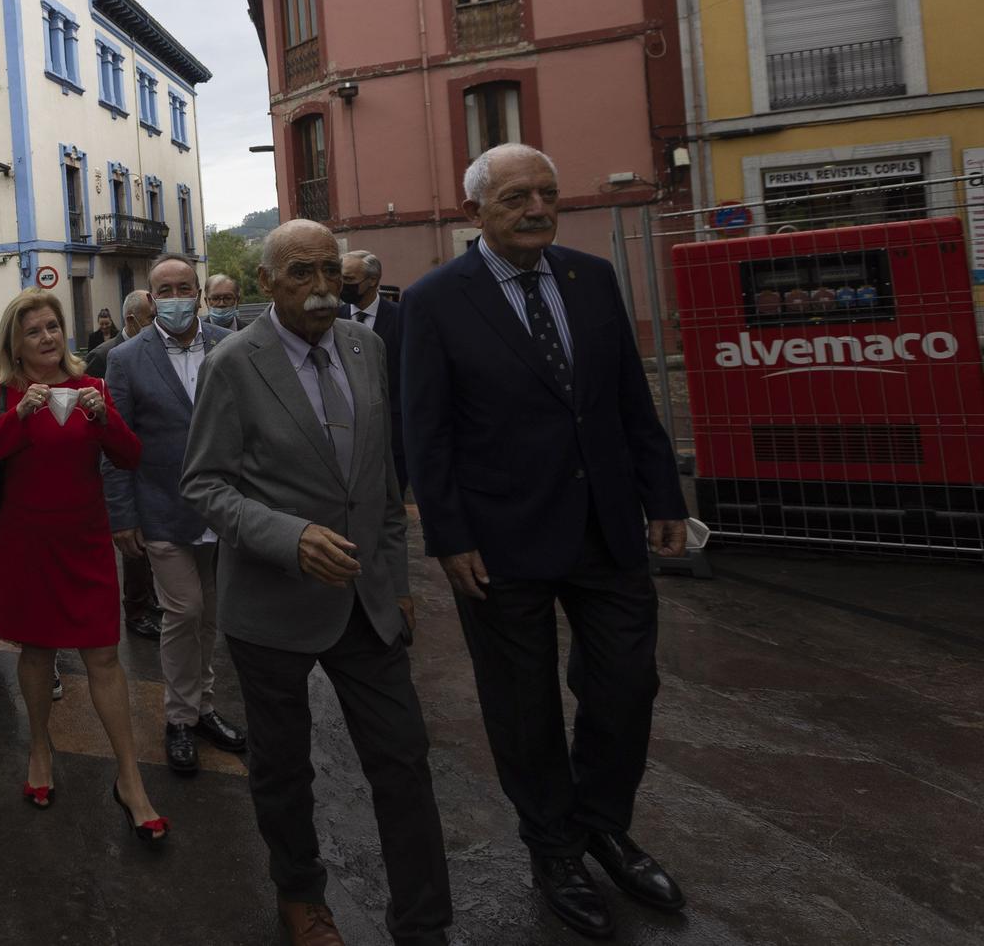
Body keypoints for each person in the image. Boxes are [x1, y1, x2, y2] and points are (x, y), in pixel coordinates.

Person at [403, 144, 688, 940]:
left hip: (606, 527)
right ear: (475, 213)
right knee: (522, 706)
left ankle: (602, 822)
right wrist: (448, 534)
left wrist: (661, 494)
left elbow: (631, 396)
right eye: (517, 196)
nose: (537, 208)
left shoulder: (590, 278)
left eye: (548, 194)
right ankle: (554, 845)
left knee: (627, 683)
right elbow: (424, 430)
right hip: (498, 539)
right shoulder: (435, 301)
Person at [183, 219, 452, 946]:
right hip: (271, 605)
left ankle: (424, 921)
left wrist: (396, 581)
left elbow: (381, 481)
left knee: (402, 757)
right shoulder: (234, 363)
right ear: (267, 282)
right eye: (302, 272)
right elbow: (204, 483)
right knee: (282, 767)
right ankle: (300, 894)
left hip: (367, 602)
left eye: (331, 270)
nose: (322, 286)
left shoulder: (369, 348)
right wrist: (290, 536)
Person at [0, 289, 164, 842]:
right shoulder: (1, 391)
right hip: (25, 543)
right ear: (16, 345)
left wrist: (104, 421)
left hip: (85, 540)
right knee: (37, 650)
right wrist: (21, 417)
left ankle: (130, 778)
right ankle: (38, 749)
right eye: (34, 332)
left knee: (104, 656)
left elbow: (130, 456)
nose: (48, 338)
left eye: (53, 327)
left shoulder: (93, 387)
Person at [103, 255, 244, 776]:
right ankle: (178, 719)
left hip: (223, 508)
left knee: (208, 614)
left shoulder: (230, 347)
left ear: (200, 292)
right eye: (166, 289)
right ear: (150, 297)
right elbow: (115, 445)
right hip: (161, 507)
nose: (177, 296)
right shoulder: (125, 359)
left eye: (186, 287)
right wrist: (122, 516)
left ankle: (202, 707)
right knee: (182, 611)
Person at [83, 288, 158, 642]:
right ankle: (136, 608)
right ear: (132, 319)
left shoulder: (155, 348)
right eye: (152, 317)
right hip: (118, 462)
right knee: (133, 541)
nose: (157, 324)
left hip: (145, 456)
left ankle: (150, 599)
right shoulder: (102, 356)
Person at [342, 250, 407, 493]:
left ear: (373, 280)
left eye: (349, 280)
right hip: (347, 430)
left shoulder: (401, 318)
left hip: (392, 430)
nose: (342, 286)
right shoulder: (332, 319)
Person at [82, 290, 149, 379]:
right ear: (130, 320)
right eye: (151, 318)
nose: (155, 323)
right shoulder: (100, 356)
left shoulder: (154, 348)